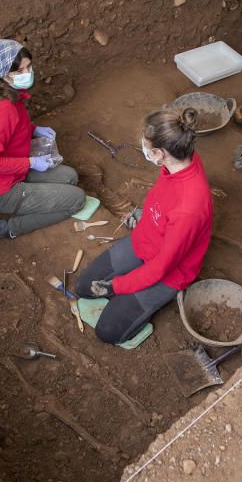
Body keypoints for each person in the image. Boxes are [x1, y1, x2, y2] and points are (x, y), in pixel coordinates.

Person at [75, 109, 213, 345]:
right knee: (83, 287)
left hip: (170, 270)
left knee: (107, 332)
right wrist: (146, 214)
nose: (143, 148)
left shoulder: (188, 209)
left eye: (147, 146)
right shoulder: (181, 158)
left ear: (160, 153)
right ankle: (127, 296)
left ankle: (146, 307)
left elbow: (161, 267)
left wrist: (117, 286)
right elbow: (165, 197)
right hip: (146, 241)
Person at [0, 39, 86, 239]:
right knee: (77, 200)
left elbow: (10, 129)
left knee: (70, 177)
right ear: (4, 73)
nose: (28, 74)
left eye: (29, 67)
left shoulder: (1, 93)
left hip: (6, 176)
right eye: (20, 71)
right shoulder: (3, 109)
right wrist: (31, 162)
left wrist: (34, 130)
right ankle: (8, 227)